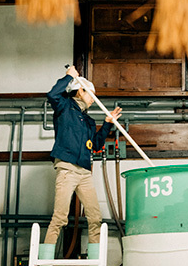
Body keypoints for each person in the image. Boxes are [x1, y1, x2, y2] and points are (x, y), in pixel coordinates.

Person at [40, 65, 122, 260]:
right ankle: (44, 260)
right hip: (67, 168)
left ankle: (94, 259)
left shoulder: (88, 121)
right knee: (60, 217)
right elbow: (52, 94)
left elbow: (95, 146)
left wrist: (108, 124)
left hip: (84, 172)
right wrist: (68, 77)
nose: (93, 98)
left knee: (95, 217)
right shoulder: (64, 107)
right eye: (91, 93)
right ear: (80, 90)